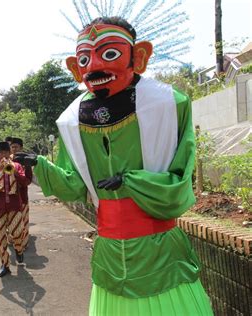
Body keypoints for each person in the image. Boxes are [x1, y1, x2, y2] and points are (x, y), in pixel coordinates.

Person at [15, 17, 213, 316]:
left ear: (139, 56)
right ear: (75, 67)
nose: (94, 66)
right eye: (85, 59)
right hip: (109, 248)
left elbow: (180, 178)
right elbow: (74, 185)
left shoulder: (167, 105)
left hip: (158, 249)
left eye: (109, 54)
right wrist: (40, 165)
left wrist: (132, 181)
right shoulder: (72, 120)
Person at [0, 141, 29, 277]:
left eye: (5, 152)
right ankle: (5, 264)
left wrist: (15, 171)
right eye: (0, 153)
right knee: (0, 237)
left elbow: (25, 182)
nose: (3, 155)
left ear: (10, 153)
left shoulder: (16, 166)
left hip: (14, 206)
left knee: (17, 232)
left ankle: (18, 249)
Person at [10, 137, 32, 251]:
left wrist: (18, 175)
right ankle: (13, 240)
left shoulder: (26, 161)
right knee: (11, 221)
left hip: (22, 197)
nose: (14, 149)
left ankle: (24, 243)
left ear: (21, 148)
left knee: (24, 221)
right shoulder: (7, 161)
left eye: (16, 147)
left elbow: (28, 180)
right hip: (9, 198)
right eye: (12, 147)